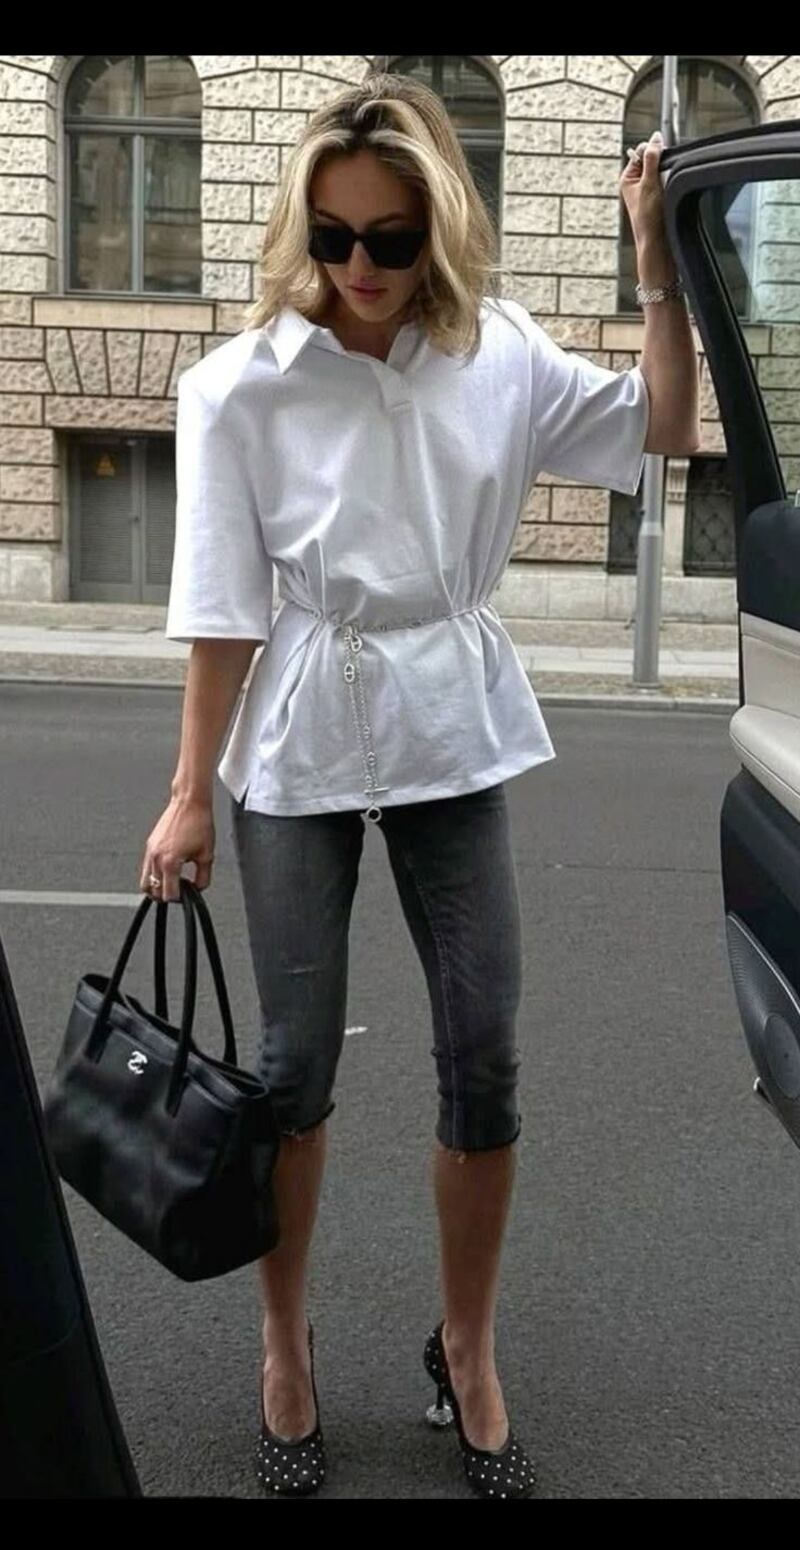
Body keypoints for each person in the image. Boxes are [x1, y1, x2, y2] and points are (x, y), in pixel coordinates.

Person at [139, 72, 700, 1500]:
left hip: (452, 717)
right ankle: (285, 1349)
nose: (361, 268)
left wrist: (655, 260)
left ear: (438, 229)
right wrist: (189, 791)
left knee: (484, 1054)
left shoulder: (493, 351)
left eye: (391, 239)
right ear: (303, 229)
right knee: (292, 1069)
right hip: (299, 732)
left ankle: (467, 1347)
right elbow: (222, 609)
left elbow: (660, 426)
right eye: (333, 237)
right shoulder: (240, 385)